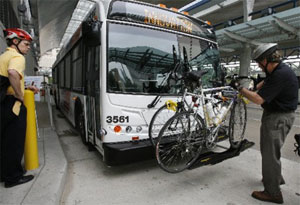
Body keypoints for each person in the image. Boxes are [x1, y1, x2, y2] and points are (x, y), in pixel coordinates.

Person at [234, 43, 298, 204]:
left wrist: (239, 89)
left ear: (266, 60)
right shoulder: (277, 70)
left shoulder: (280, 75)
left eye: (259, 62)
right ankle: (275, 179)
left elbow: (258, 99)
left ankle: (273, 193)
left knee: (270, 154)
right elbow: (259, 86)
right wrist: (251, 86)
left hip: (278, 118)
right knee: (271, 152)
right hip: (278, 115)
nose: (258, 66)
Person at [0, 28, 39, 188]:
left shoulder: (4, 55)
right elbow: (12, 73)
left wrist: (25, 87)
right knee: (15, 143)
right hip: (12, 106)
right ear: (15, 42)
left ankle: (4, 173)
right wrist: (20, 95)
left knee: (4, 141)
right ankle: (13, 178)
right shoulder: (17, 57)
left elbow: (7, 79)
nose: (28, 48)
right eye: (26, 44)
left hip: (3, 104)